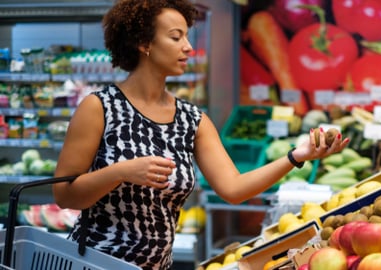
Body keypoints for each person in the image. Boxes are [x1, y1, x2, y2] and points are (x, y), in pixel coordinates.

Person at [52, 0, 350, 269]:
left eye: (187, 36)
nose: (188, 47)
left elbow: (234, 189)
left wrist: (297, 156)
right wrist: (121, 171)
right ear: (144, 43)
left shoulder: (191, 119)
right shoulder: (99, 108)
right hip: (95, 262)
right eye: (175, 36)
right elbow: (64, 195)